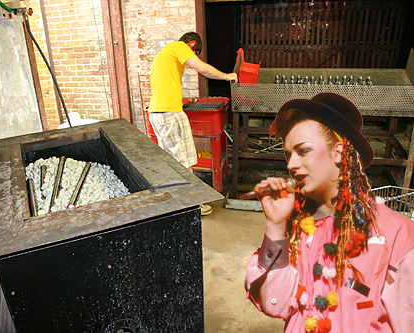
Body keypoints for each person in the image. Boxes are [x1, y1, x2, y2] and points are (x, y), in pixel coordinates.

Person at [244, 93, 414, 332]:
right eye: (288, 154)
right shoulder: (296, 228)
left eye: (303, 151)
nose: (291, 165)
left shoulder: (397, 233)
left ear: (338, 152)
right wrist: (275, 225)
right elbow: (275, 304)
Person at [148, 32, 237, 216]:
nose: (193, 58)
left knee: (172, 161)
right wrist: (228, 76)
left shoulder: (166, 53)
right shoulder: (179, 47)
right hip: (169, 113)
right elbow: (203, 69)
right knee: (185, 160)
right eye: (195, 53)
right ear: (192, 45)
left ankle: (176, 203)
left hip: (159, 113)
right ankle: (193, 204)